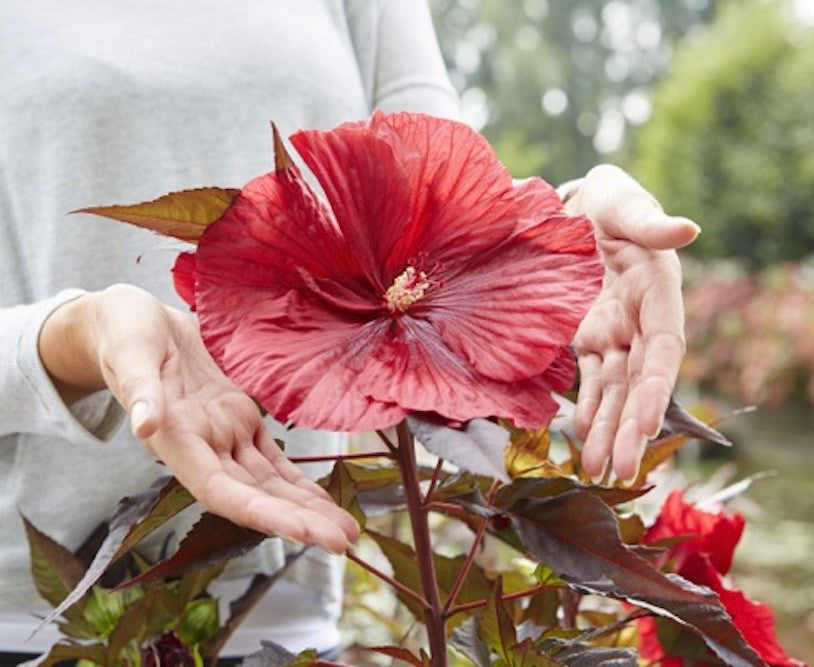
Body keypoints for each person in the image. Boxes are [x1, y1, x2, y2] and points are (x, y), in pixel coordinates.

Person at [0, 0, 698, 662]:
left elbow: (444, 188)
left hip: (291, 627)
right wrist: (72, 338)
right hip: (38, 632)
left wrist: (570, 233)